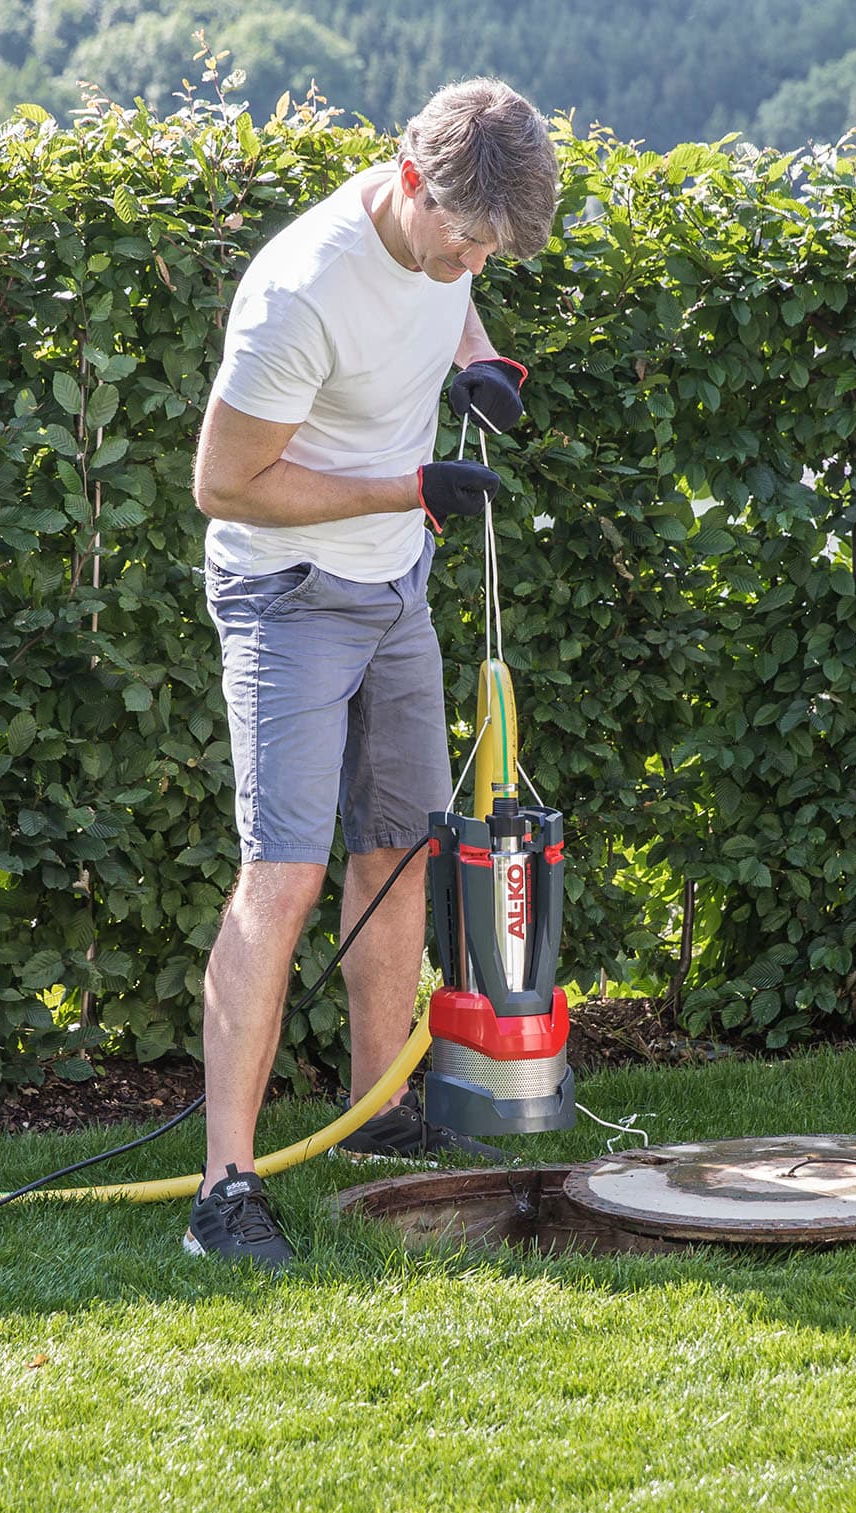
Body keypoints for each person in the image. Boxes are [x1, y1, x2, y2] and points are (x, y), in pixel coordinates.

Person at [183, 77, 560, 1269]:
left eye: (492, 249)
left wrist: (481, 361)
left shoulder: (449, 232)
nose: (473, 261)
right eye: (465, 240)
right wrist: (408, 487)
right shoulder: (300, 292)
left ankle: (370, 1113)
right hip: (286, 595)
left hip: (395, 585)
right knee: (282, 875)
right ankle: (224, 1191)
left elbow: (446, 296)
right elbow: (223, 484)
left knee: (399, 850)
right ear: (408, 183)